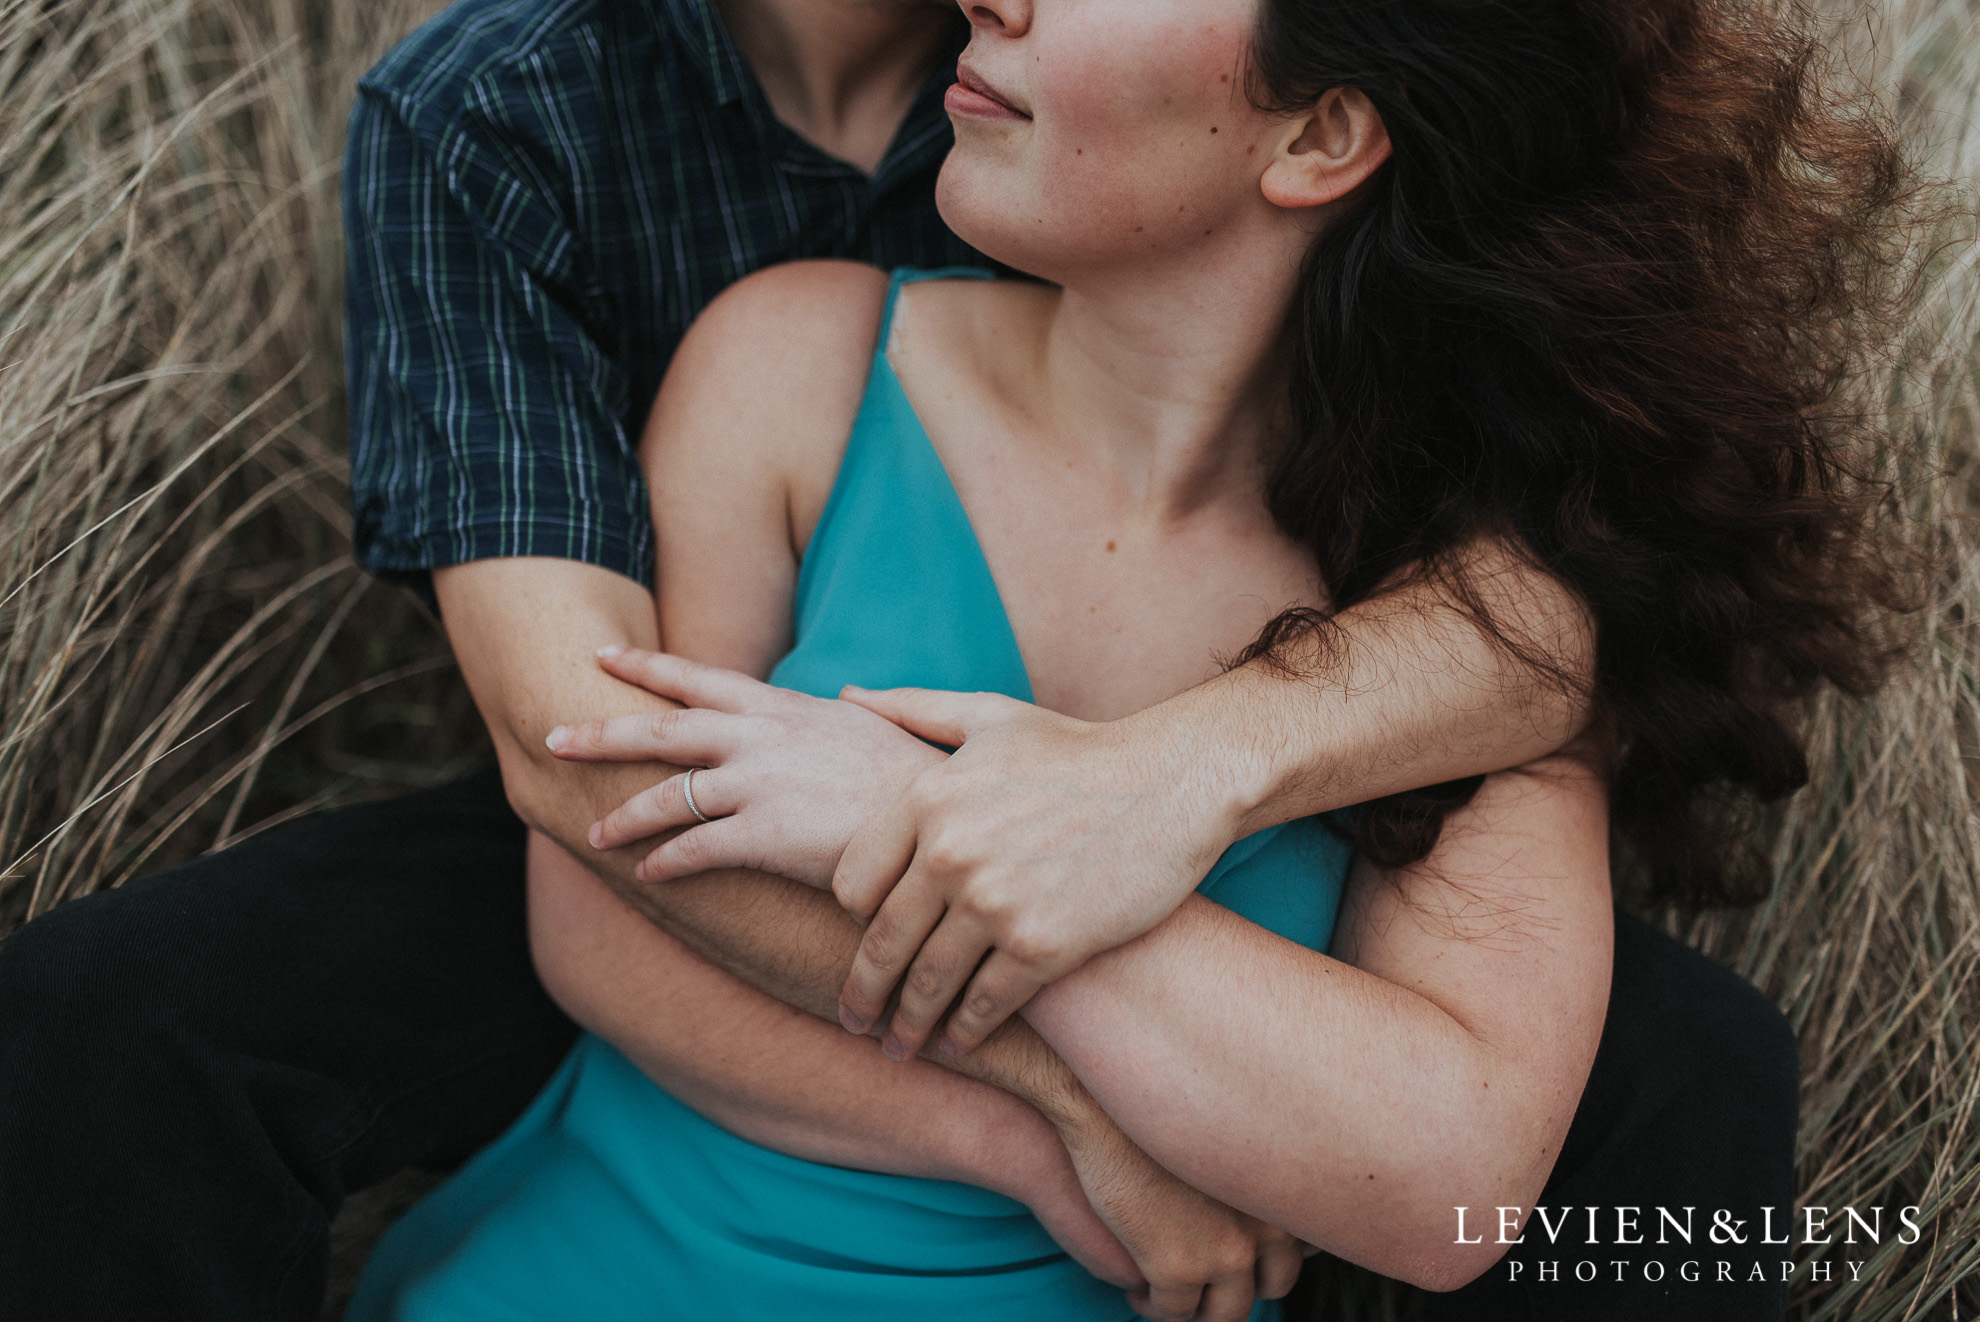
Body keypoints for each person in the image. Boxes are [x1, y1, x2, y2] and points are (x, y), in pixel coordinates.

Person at [0, 0, 1853, 1317]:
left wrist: (1081, 795)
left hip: (973, 835)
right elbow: (590, 778)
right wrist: (1055, 1115)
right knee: (127, 1012)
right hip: (628, 848)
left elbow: (1543, 645)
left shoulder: (1465, 558)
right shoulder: (529, 132)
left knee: (1689, 1095)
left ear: (1325, 134)